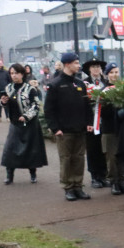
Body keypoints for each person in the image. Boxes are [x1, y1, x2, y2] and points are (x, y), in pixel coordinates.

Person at [44, 52, 93, 202]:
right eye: (76, 63)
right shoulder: (55, 84)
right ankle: (68, 187)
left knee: (79, 158)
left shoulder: (79, 84)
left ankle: (78, 186)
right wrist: (55, 128)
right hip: (64, 131)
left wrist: (89, 123)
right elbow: (49, 109)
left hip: (80, 129)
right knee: (66, 159)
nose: (79, 66)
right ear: (67, 64)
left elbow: (86, 106)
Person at [0, 63, 47, 185]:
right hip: (15, 124)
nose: (13, 75)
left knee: (31, 150)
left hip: (29, 124)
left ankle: (33, 174)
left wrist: (26, 116)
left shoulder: (30, 89)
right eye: (11, 73)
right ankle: (10, 175)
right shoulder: (8, 88)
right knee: (10, 149)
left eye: (16, 73)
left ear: (22, 74)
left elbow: (36, 105)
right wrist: (3, 102)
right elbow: (6, 104)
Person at [99, 63, 124, 195]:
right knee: (111, 157)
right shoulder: (104, 91)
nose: (114, 75)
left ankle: (123, 181)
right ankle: (114, 182)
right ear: (107, 75)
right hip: (109, 128)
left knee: (122, 155)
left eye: (116, 72)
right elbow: (102, 113)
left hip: (121, 127)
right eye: (111, 72)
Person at [82, 58, 108, 188]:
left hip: (104, 121)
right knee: (92, 150)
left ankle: (104, 175)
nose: (96, 69)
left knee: (103, 149)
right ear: (89, 69)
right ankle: (94, 177)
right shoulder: (84, 84)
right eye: (93, 67)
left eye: (98, 66)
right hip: (91, 122)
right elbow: (82, 104)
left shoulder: (106, 82)